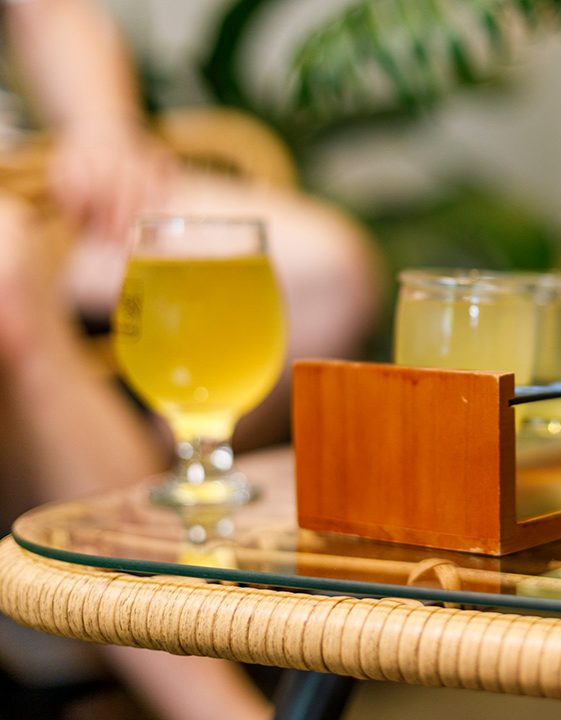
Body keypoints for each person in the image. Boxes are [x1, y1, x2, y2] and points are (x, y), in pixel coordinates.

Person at [0, 0, 382, 717]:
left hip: (25, 176)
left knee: (322, 272)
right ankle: (200, 692)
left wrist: (102, 128)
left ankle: (67, 562)